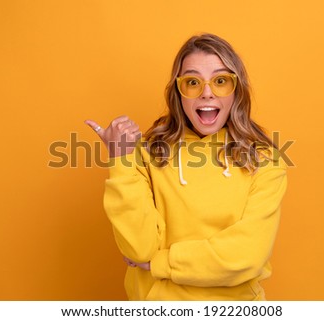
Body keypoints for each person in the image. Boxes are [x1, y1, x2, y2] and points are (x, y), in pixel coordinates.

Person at [85, 33, 287, 300]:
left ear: (236, 90)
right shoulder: (149, 152)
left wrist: (160, 264)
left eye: (220, 81)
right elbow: (138, 249)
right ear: (178, 92)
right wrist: (121, 159)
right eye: (192, 82)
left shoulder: (264, 161)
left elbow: (245, 255)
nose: (206, 93)